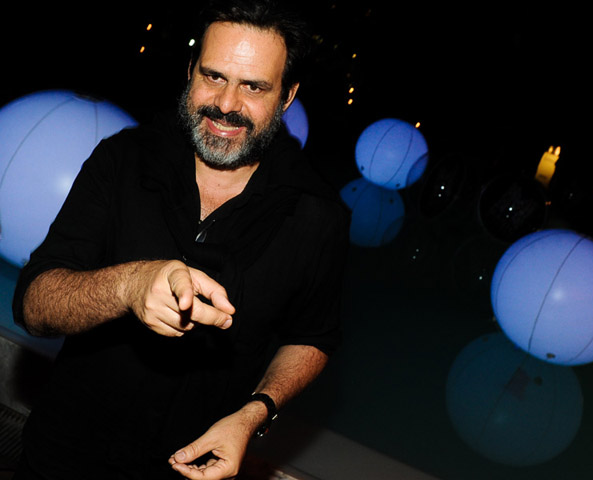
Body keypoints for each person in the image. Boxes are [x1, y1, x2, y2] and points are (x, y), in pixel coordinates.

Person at [12, 1, 349, 478]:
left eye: (253, 87)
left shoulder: (317, 213)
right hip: (61, 458)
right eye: (214, 76)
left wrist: (254, 414)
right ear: (191, 70)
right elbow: (33, 306)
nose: (227, 104)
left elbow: (312, 337)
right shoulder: (122, 160)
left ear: (287, 96)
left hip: (192, 471)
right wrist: (130, 286)